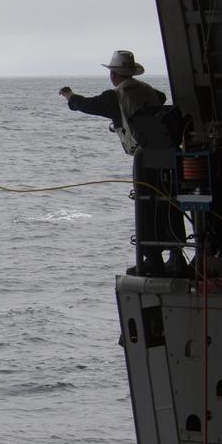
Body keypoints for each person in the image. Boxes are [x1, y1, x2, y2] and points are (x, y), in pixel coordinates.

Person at [60, 50, 188, 276]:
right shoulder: (149, 90)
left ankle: (153, 260)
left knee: (146, 207)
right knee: (169, 203)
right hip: (168, 153)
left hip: (144, 158)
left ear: (114, 75)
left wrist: (70, 96)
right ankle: (177, 258)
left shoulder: (115, 96)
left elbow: (87, 105)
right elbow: (161, 98)